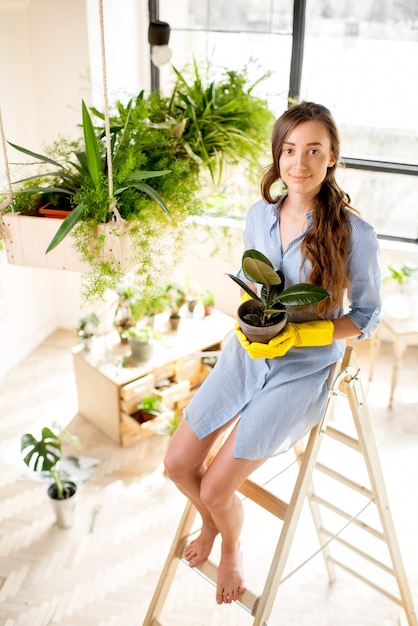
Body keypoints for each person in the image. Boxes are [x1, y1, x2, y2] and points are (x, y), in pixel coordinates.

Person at [164, 101, 381, 605]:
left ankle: (231, 546)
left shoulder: (355, 235)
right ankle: (209, 525)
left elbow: (367, 318)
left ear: (332, 159)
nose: (299, 163)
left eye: (313, 151)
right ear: (277, 155)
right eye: (288, 150)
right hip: (245, 356)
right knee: (178, 464)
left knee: (218, 488)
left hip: (300, 374)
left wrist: (308, 336)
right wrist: (251, 316)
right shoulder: (258, 216)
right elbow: (254, 286)